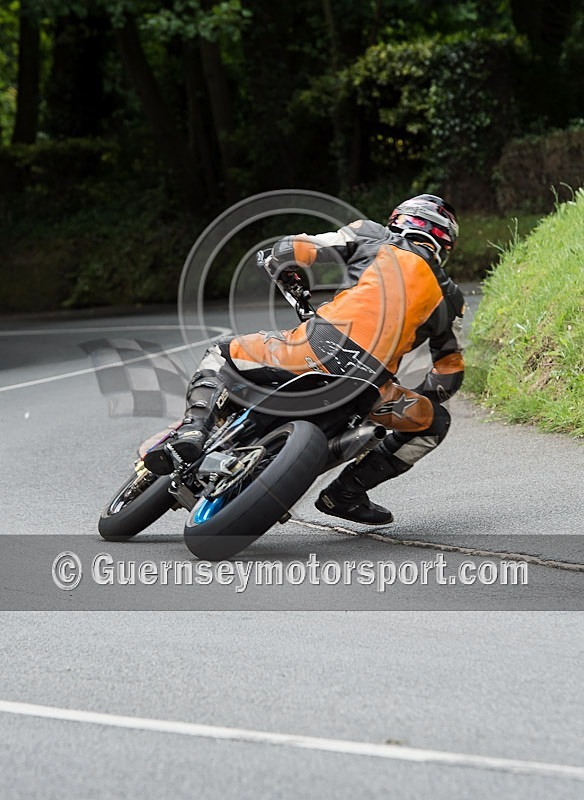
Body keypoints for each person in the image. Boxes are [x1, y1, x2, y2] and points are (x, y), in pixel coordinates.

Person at [144, 194, 465, 526]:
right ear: (445, 243)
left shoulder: (372, 235)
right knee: (434, 422)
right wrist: (418, 397)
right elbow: (449, 372)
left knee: (221, 354)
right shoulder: (451, 298)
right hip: (373, 388)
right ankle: (346, 492)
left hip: (316, 349)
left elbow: (293, 249)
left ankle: (194, 432)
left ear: (398, 220)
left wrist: (283, 270)